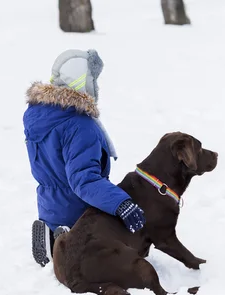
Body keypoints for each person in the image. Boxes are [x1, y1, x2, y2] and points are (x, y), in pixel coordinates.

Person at [23, 49, 146, 267]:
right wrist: (121, 203)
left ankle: (51, 232)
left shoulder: (39, 114)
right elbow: (84, 179)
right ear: (83, 81)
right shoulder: (80, 125)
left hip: (48, 201)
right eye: (94, 80)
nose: (97, 87)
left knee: (59, 211)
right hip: (78, 208)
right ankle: (65, 243)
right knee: (108, 244)